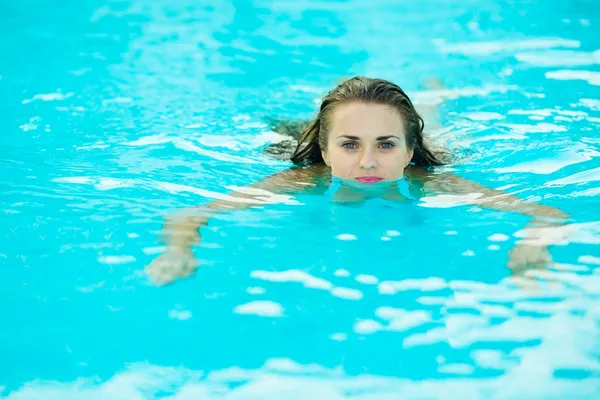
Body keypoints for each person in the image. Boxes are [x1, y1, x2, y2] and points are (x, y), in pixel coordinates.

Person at [146, 76, 569, 285]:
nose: (368, 163)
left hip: (426, 139)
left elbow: (546, 214)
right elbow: (190, 214)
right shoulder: (299, 180)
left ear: (407, 152)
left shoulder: (433, 181)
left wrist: (530, 245)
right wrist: (176, 252)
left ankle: (434, 96)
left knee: (434, 124)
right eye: (349, 145)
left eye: (386, 146)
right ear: (325, 153)